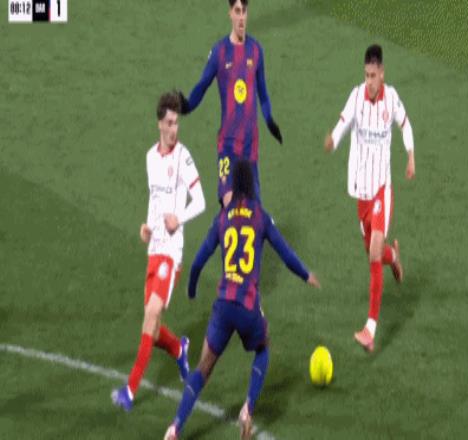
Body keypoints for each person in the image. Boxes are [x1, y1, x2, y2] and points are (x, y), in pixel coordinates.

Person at [164, 160, 320, 440]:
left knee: (203, 368)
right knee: (263, 346)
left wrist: (192, 288)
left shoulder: (222, 218)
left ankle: (175, 427)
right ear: (253, 185)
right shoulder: (260, 216)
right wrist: (305, 274)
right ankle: (248, 408)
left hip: (223, 306)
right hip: (248, 306)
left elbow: (198, 260)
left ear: (234, 185)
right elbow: (285, 253)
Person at [111, 91, 206, 411]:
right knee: (150, 329)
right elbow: (155, 200)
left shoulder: (184, 158)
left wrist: (179, 218)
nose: (174, 129)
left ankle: (130, 390)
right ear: (159, 125)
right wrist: (147, 226)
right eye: (170, 123)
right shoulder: (151, 158)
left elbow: (201, 201)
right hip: (154, 248)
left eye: (177, 123)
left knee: (152, 313)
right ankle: (179, 349)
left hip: (172, 252)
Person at [324, 44, 415, 352]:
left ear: (382, 73)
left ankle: (370, 329)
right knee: (374, 253)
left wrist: (411, 156)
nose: (370, 81)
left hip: (381, 190)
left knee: (374, 251)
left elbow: (405, 124)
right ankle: (394, 257)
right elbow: (343, 122)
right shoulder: (356, 97)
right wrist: (333, 139)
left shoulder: (392, 98)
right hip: (361, 193)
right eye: (366, 75)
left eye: (374, 75)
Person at [179, 0, 282, 206]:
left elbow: (263, 93)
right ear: (230, 14)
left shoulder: (256, 50)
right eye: (237, 11)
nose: (241, 17)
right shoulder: (220, 52)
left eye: (244, 11)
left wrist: (269, 120)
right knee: (229, 206)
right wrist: (188, 105)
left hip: (250, 145)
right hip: (228, 143)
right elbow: (203, 84)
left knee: (253, 210)